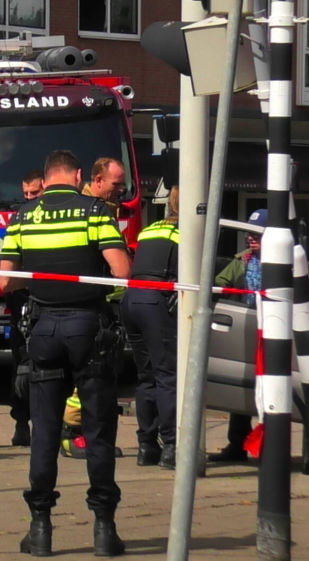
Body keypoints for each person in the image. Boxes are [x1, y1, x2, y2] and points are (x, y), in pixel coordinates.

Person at [0, 150, 131, 558]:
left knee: (44, 431)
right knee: (98, 430)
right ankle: (104, 530)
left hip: (43, 329)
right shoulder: (93, 210)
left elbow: (5, 281)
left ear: (47, 175)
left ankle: (40, 530)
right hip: (88, 328)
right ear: (77, 175)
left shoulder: (21, 216)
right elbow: (122, 271)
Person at [62, 157, 127, 460]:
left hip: (105, 303)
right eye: (116, 184)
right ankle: (74, 433)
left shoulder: (105, 207)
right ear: (98, 181)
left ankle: (87, 433)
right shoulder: (90, 209)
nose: (121, 190)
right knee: (88, 375)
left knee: (99, 376)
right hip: (91, 305)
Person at [120, 186, 179, 470]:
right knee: (168, 375)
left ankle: (146, 446)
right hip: (156, 301)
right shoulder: (188, 233)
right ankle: (171, 447)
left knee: (146, 377)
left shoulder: (151, 229)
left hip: (131, 299)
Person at [209, 208, 267, 463]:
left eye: (256, 234)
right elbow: (220, 283)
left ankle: (271, 446)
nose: (250, 239)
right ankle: (237, 444)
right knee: (243, 387)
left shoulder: (285, 260)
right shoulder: (242, 260)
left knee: (275, 392)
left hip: (277, 332)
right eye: (248, 234)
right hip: (247, 327)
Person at [7, 173, 45, 448]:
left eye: (35, 193)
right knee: (21, 365)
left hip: (48, 301)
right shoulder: (18, 219)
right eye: (26, 194)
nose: (29, 199)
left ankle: (47, 425)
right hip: (22, 302)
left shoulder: (54, 218)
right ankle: (21, 423)